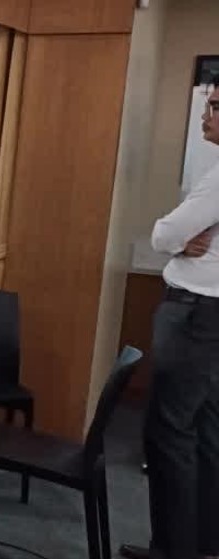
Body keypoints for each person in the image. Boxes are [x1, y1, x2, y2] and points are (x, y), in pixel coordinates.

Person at [143, 79, 219, 559]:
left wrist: (172, 238)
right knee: (208, 433)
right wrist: (179, 240)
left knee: (169, 434)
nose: (205, 115)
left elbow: (164, 234)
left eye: (214, 106)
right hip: (213, 316)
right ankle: (203, 545)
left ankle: (172, 550)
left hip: (194, 313)